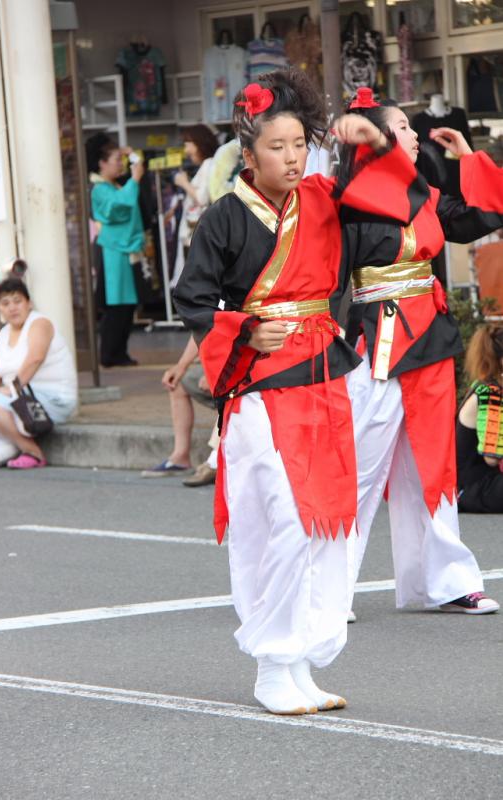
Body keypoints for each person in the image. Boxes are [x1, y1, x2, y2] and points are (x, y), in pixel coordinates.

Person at [173, 69, 416, 715]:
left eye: (298, 143)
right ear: (247, 155)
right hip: (261, 385)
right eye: (274, 146)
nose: (289, 156)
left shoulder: (322, 199)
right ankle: (272, 662)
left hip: (324, 377)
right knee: (278, 518)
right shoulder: (226, 217)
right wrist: (248, 331)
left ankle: (306, 652)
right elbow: (192, 296)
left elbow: (388, 204)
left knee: (326, 522)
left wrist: (371, 141)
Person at [333, 87, 503, 615]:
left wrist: (468, 154)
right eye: (402, 127)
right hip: (377, 341)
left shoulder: (426, 195)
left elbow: (484, 214)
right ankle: (327, 589)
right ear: (374, 139)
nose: (413, 135)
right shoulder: (343, 197)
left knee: (434, 464)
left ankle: (443, 583)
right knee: (359, 469)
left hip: (428, 336)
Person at [0, 278, 77, 469]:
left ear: (29, 303)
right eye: (5, 303)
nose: (12, 307)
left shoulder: (39, 324)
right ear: (0, 309)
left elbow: (35, 358)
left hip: (51, 399)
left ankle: (32, 452)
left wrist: (10, 389)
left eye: (17, 301)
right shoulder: (3, 335)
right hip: (16, 397)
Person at [87, 136, 145, 367]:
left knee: (127, 305)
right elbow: (119, 208)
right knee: (116, 306)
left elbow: (127, 195)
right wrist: (135, 180)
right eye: (116, 160)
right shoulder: (99, 189)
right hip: (113, 251)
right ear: (102, 163)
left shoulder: (113, 186)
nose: (120, 164)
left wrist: (132, 155)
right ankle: (110, 354)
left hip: (122, 249)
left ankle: (119, 353)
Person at [140, 334, 218, 483]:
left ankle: (215, 461)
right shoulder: (202, 313)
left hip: (248, 365)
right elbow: (201, 329)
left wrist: (218, 369)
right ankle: (180, 457)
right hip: (221, 361)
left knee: (231, 392)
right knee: (177, 382)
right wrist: (181, 366)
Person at [457, 325, 503, 513]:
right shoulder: (491, 396)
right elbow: (491, 458)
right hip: (474, 488)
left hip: (470, 485)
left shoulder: (483, 386)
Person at [170, 124, 218, 287]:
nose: (186, 150)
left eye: (187, 144)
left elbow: (202, 198)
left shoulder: (210, 164)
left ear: (198, 143)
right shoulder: (208, 165)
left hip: (197, 237)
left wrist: (184, 183)